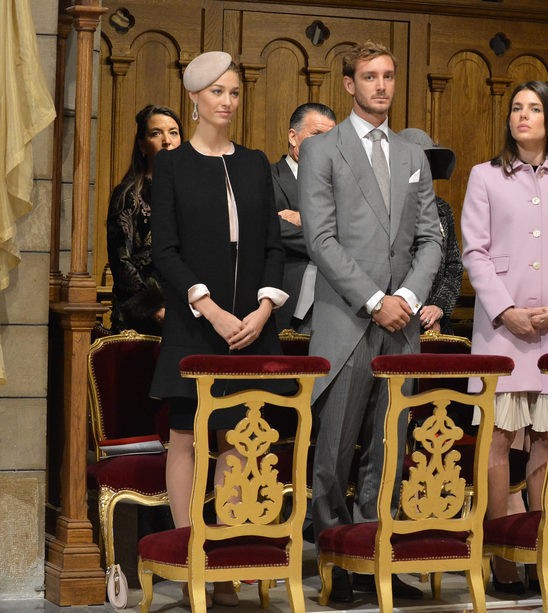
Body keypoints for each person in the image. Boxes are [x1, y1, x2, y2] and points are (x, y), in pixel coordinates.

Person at [298, 40, 441, 603]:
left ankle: (376, 560)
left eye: (387, 76)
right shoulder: (323, 150)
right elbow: (321, 238)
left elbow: (430, 236)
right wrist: (373, 298)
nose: (381, 85)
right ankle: (337, 564)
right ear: (349, 85)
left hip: (401, 322)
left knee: (389, 448)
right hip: (347, 319)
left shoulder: (412, 155)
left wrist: (404, 294)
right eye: (369, 77)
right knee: (333, 455)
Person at [149, 51, 287, 607]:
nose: (227, 101)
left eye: (233, 92)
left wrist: (263, 308)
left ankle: (229, 559)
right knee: (185, 431)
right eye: (217, 92)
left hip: (252, 324)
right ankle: (187, 557)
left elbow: (274, 247)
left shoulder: (255, 163)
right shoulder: (173, 165)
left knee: (241, 434)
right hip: (196, 322)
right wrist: (209, 307)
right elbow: (165, 252)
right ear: (195, 98)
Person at [461, 80, 548, 593]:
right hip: (502, 332)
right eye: (516, 108)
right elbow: (474, 250)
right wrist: (505, 311)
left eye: (533, 108)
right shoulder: (485, 176)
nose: (523, 116)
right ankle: (501, 554)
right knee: (498, 439)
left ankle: (539, 546)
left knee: (547, 440)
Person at [106, 104, 183, 335]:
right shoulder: (128, 195)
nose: (167, 141)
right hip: (142, 320)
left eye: (173, 132)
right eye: (156, 133)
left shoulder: (192, 194)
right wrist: (156, 309)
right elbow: (121, 262)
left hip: (188, 312)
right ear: (142, 145)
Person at [271, 102, 337, 333]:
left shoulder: (344, 185)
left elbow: (358, 233)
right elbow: (271, 228)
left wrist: (304, 219)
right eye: (316, 135)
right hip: (284, 299)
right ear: (293, 136)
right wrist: (329, 236)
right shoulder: (268, 176)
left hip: (336, 304)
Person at [399, 127, 462, 334]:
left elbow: (453, 267)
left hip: (435, 326)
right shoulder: (380, 208)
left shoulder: (442, 210)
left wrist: (438, 307)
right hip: (393, 320)